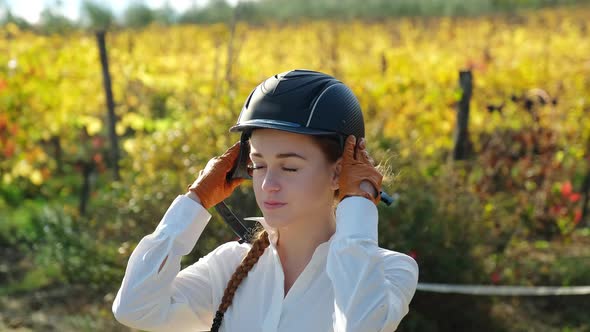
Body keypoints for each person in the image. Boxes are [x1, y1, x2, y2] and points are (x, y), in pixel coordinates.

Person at [112, 69, 419, 332]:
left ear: (340, 172)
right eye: (258, 165)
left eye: (289, 167)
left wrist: (359, 201)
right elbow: (135, 308)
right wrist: (195, 199)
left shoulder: (391, 270)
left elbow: (360, 326)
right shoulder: (229, 264)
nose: (268, 184)